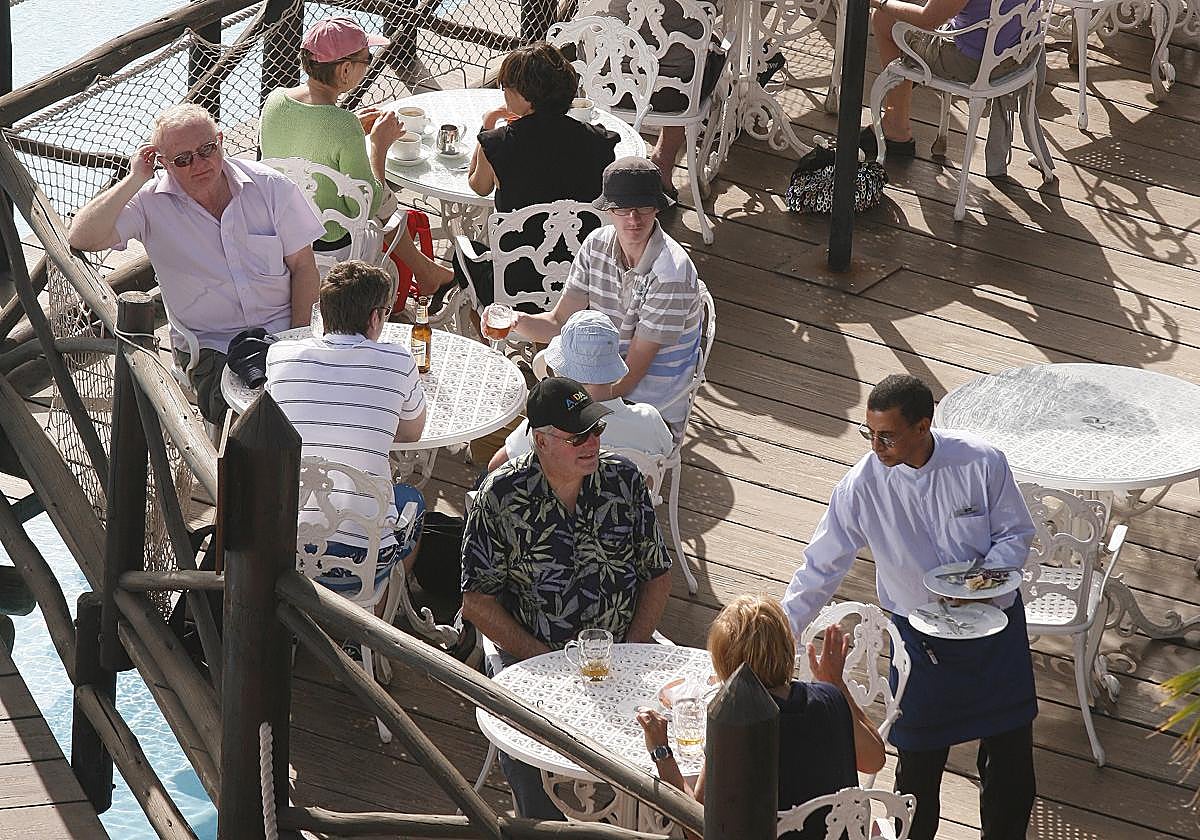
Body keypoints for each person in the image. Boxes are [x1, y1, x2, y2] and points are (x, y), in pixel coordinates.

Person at [781, 374, 1038, 840]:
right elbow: (820, 567)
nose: (876, 446)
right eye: (870, 433)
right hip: (919, 640)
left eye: (887, 435)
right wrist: (778, 634)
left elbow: (1015, 534)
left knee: (1010, 761)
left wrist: (980, 585)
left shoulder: (981, 461)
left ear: (923, 426)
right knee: (918, 770)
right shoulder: (860, 486)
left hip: (995, 625)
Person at [462, 375, 673, 818]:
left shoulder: (624, 482)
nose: (592, 441)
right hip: (537, 666)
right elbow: (477, 603)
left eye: (596, 429)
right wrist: (543, 659)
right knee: (537, 783)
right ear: (540, 441)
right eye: (578, 435)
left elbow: (656, 575)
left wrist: (634, 646)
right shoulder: (499, 499)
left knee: (682, 755)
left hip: (625, 657)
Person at [66, 103, 324, 424]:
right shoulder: (149, 204)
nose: (199, 164)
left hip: (286, 332)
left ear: (220, 140)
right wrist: (135, 179)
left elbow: (304, 267)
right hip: (214, 348)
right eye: (183, 159)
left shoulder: (270, 186)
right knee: (262, 419)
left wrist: (297, 342)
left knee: (342, 397)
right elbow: (80, 236)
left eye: (206, 150)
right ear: (162, 163)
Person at [635, 595, 886, 840]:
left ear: (725, 666)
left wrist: (661, 751)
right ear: (788, 648)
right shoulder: (828, 698)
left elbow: (698, 828)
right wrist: (837, 686)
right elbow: (875, 760)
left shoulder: (734, 726)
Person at [487, 157, 703, 434]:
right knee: (509, 421)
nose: (633, 218)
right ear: (608, 210)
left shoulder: (670, 275)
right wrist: (516, 320)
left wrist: (569, 410)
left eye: (643, 207)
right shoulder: (596, 245)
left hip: (643, 410)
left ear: (657, 208)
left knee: (526, 436)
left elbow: (630, 376)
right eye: (622, 208)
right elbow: (558, 323)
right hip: (600, 386)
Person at [265, 260, 427, 606]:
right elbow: (412, 433)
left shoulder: (279, 354)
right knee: (413, 500)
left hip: (280, 548)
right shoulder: (399, 361)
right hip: (358, 559)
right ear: (374, 318)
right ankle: (371, 619)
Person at [260, 16, 454, 300]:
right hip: (331, 245)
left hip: (283, 236)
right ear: (346, 69)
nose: (369, 65)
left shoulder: (275, 100)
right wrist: (379, 145)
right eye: (367, 60)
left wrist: (350, 126)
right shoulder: (342, 125)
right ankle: (428, 274)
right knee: (387, 207)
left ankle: (428, 273)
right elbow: (366, 202)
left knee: (385, 206)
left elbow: (304, 146)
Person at [459, 43, 618, 310]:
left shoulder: (500, 143)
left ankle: (493, 343)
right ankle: (543, 343)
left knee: (463, 257)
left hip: (514, 283)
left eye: (505, 87)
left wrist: (487, 126)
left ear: (524, 96)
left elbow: (478, 185)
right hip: (582, 281)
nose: (504, 93)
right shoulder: (599, 140)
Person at [488, 310, 674, 472]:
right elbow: (665, 457)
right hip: (626, 512)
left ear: (562, 372)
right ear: (612, 368)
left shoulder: (547, 427)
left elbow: (495, 468)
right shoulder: (651, 421)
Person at [582, 0, 728, 196]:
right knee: (702, 43)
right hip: (676, 94)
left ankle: (611, 159)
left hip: (608, 85)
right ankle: (664, 161)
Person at [863, 0, 1029, 156]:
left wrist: (879, 2)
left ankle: (895, 125)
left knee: (884, 17)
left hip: (977, 62)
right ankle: (897, 115)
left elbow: (927, 19)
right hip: (1021, 50)